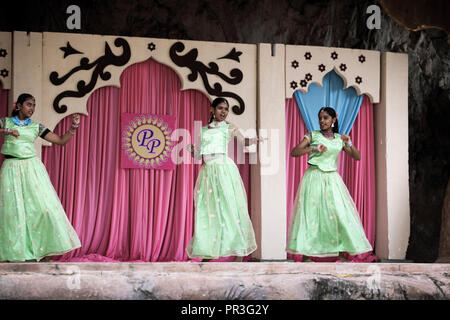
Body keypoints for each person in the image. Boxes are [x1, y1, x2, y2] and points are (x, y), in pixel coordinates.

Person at [0, 93, 81, 262]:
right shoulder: (5, 121)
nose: (32, 108)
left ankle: (41, 251)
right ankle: (14, 253)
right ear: (19, 106)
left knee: (43, 209)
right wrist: (7, 131)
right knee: (11, 212)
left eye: (34, 105)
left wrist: (73, 127)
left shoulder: (36, 127)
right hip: (11, 168)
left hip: (32, 169)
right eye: (29, 104)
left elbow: (60, 140)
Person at [286, 106, 372, 261]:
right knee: (311, 215)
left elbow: (357, 157)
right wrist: (313, 148)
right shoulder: (313, 135)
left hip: (332, 180)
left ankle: (340, 253)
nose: (321, 121)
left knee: (337, 213)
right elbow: (294, 152)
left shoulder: (339, 138)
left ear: (333, 120)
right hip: (313, 177)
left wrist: (349, 143)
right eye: (320, 118)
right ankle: (306, 255)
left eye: (325, 118)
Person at [186, 97, 261, 262]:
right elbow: (199, 155)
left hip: (224, 170)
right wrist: (192, 150)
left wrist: (254, 140)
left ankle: (239, 253)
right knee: (209, 212)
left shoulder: (229, 127)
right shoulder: (204, 130)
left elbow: (244, 141)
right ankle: (208, 252)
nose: (224, 112)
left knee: (230, 210)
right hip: (208, 172)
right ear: (212, 109)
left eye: (226, 109)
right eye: (220, 108)